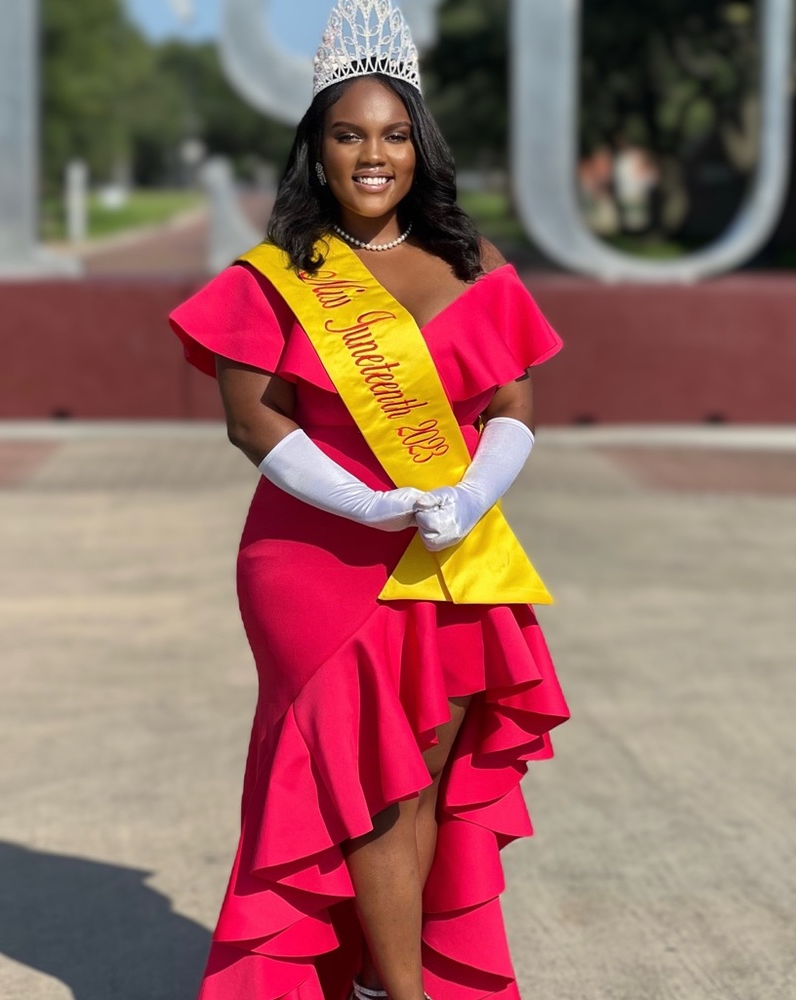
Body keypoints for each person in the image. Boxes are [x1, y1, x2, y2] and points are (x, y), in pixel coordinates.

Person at [168, 3, 568, 998]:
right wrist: (367, 503)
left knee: (418, 782)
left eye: (393, 134)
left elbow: (515, 402)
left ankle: (373, 976)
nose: (372, 154)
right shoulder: (276, 278)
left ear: (420, 148)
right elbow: (251, 422)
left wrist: (477, 487)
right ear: (318, 150)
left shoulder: (475, 265)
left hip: (448, 552)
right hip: (316, 560)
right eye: (348, 134)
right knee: (369, 790)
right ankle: (400, 991)